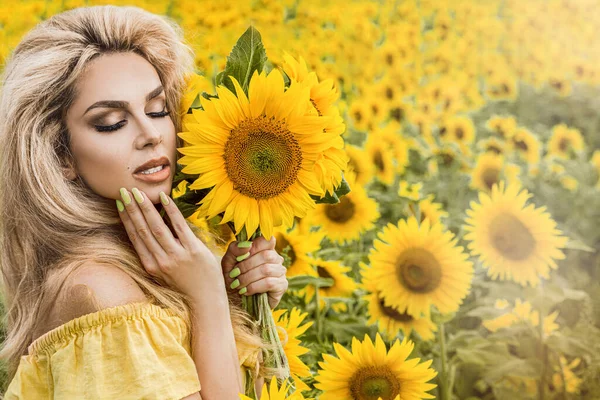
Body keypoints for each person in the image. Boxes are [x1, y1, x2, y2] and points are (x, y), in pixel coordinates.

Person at [0, 5, 289, 399]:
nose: (150, 134)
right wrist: (208, 299)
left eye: (158, 110)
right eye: (111, 123)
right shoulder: (101, 295)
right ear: (60, 155)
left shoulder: (148, 269)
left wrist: (235, 303)